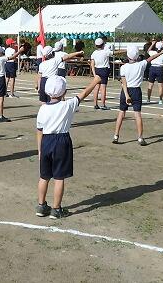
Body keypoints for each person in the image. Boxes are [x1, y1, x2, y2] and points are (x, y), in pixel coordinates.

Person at [35, 74, 101, 219]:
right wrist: (95, 81)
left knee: (44, 176)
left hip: (46, 141)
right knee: (59, 177)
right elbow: (84, 93)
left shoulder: (43, 108)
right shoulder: (67, 105)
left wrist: (40, 150)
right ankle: (56, 209)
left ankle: (41, 206)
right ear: (64, 92)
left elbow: (39, 130)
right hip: (61, 141)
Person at [113, 46, 163, 146]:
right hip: (136, 91)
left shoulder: (123, 67)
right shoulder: (141, 64)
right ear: (137, 56)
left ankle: (116, 136)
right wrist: (162, 52)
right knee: (137, 115)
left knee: (121, 113)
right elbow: (151, 58)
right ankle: (140, 138)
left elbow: (124, 83)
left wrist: (126, 95)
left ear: (128, 56)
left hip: (125, 91)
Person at [0, 44, 25, 122]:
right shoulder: (1, 59)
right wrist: (19, 51)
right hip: (0, 79)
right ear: (0, 53)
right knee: (1, 99)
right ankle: (1, 116)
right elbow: (12, 57)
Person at [90, 37, 113, 110]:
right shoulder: (105, 52)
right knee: (103, 88)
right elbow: (114, 53)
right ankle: (103, 104)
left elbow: (92, 64)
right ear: (103, 45)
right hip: (104, 70)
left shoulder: (94, 53)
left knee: (96, 87)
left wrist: (94, 74)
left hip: (97, 70)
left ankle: (95, 104)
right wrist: (125, 51)